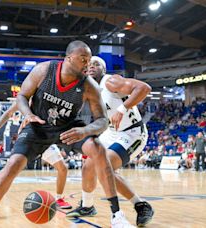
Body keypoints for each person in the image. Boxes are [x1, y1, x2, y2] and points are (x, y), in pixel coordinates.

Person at [0, 40, 133, 228]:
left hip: (69, 128)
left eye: (89, 60)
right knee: (13, 164)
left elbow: (102, 120)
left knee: (97, 148)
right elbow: (22, 96)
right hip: (38, 126)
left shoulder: (89, 85)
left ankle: (117, 216)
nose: (87, 64)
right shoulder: (44, 71)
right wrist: (29, 114)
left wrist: (85, 130)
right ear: (68, 58)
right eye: (83, 59)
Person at [66, 56, 154, 226]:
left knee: (105, 168)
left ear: (103, 70)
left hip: (132, 132)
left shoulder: (110, 81)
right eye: (89, 65)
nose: (91, 66)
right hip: (112, 132)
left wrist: (122, 109)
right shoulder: (89, 89)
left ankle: (141, 205)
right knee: (88, 166)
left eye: (96, 64)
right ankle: (87, 206)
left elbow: (144, 88)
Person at [0, 102, 72, 209]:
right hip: (29, 139)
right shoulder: (24, 98)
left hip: (46, 140)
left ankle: (59, 199)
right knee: (11, 171)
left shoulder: (48, 96)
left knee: (63, 168)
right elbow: (8, 112)